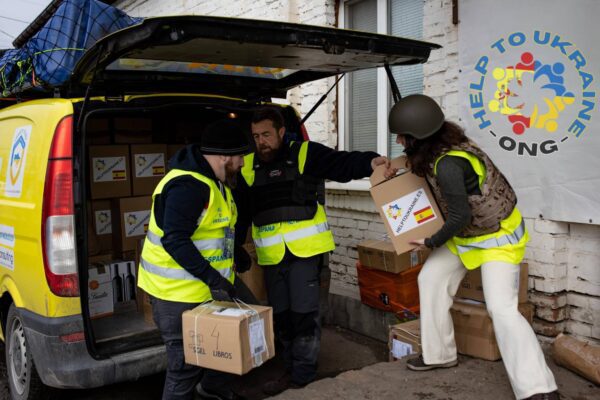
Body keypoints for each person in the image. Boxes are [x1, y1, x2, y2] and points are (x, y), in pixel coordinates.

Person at [387, 94, 559, 400]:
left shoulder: (450, 165)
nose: (400, 141)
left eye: (403, 136)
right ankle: (439, 355)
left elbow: (459, 216)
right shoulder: (443, 147)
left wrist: (429, 241)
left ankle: (539, 388)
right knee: (431, 279)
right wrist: (394, 168)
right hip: (468, 236)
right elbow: (423, 172)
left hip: (496, 239)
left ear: (419, 137)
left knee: (501, 309)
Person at [234, 107, 391, 395]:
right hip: (272, 256)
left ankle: (302, 376)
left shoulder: (305, 154)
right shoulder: (247, 166)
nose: (261, 142)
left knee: (304, 315)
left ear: (281, 132)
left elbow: (340, 164)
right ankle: (290, 368)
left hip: (306, 253)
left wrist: (370, 161)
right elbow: (241, 212)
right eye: (256, 136)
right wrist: (235, 247)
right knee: (282, 316)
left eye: (267, 134)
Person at [137, 119, 250, 400]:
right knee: (184, 367)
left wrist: (235, 251)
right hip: (176, 294)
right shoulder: (188, 186)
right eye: (240, 156)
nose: (243, 163)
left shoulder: (216, 180)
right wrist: (214, 278)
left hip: (206, 290)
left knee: (226, 345)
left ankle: (212, 390)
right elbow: (175, 240)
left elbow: (214, 227)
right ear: (224, 155)